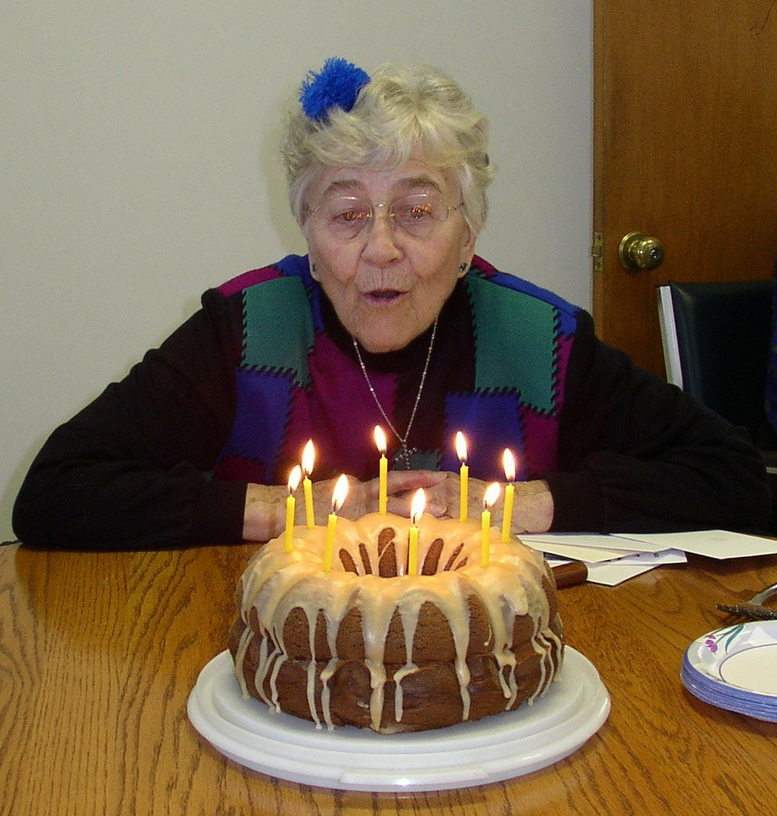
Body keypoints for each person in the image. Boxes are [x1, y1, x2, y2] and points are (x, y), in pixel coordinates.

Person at [13, 58, 772, 549]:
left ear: (467, 233)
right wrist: (291, 512)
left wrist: (513, 505)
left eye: (416, 210)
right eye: (346, 214)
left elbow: (736, 481)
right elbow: (56, 493)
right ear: (307, 233)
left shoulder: (538, 339)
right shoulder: (245, 329)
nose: (380, 249)